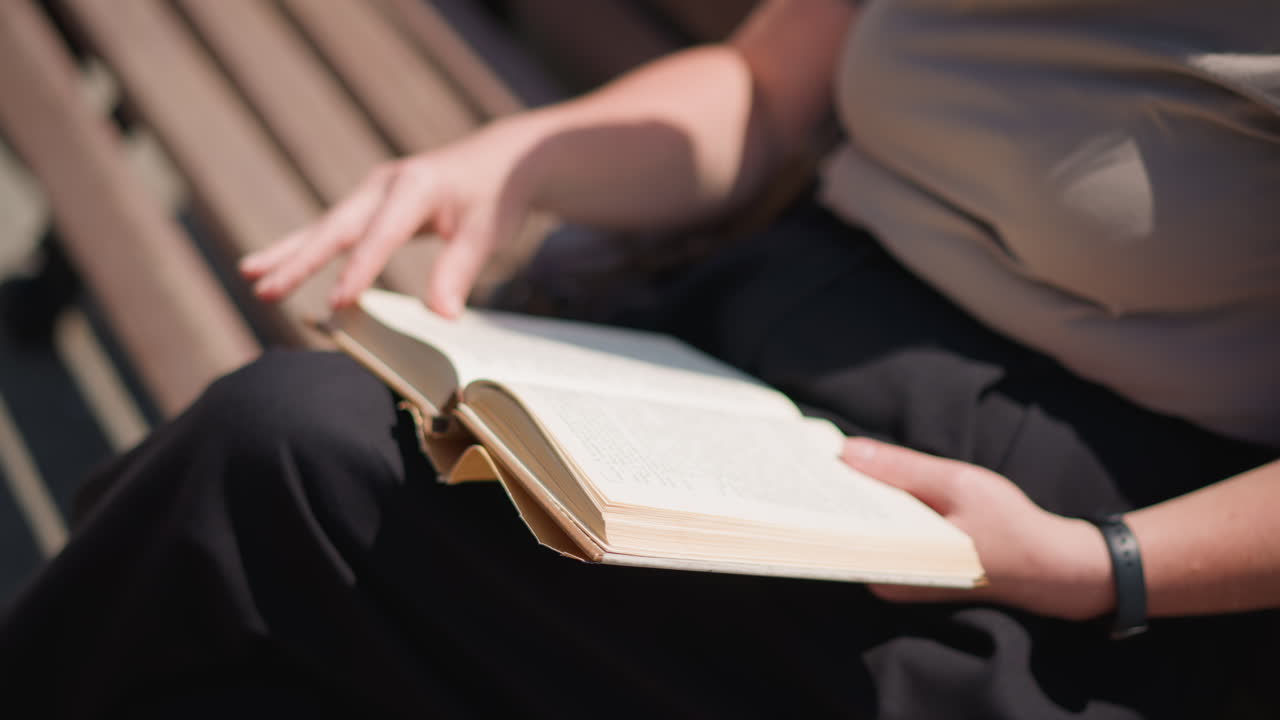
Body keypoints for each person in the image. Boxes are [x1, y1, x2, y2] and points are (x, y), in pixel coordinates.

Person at [2, 0, 1278, 717]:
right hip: (742, 352)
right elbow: (763, 88)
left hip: (1035, 554)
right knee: (286, 527)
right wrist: (521, 157)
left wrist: (1097, 565)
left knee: (277, 459)